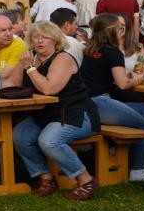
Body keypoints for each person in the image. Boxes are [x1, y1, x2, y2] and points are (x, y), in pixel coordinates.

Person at [13, 21, 101, 200]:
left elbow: (49, 89)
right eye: (36, 37)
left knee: (49, 141)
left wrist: (29, 68)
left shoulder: (63, 58)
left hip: (75, 114)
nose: (40, 41)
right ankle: (46, 177)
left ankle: (86, 180)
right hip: (45, 115)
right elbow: (14, 84)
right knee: (20, 135)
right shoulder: (30, 57)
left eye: (45, 37)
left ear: (55, 40)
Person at [80, 14, 144, 184]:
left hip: (89, 102)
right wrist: (134, 80)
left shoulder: (90, 49)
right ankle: (138, 169)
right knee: (142, 123)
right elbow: (122, 83)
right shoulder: (113, 52)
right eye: (119, 27)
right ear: (112, 31)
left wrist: (131, 77)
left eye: (123, 27)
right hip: (103, 102)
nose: (122, 31)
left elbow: (137, 70)